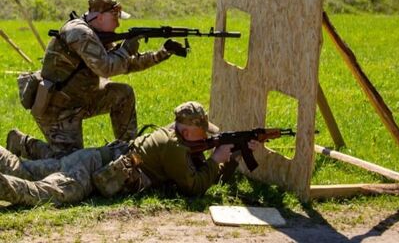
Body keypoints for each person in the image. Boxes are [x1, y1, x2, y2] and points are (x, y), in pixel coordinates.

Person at [8, 0, 185, 160]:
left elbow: (125, 63)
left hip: (83, 99)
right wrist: (126, 49)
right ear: (100, 16)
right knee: (70, 162)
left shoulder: (96, 33)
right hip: (58, 109)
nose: (117, 25)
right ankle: (22, 143)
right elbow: (106, 68)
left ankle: (128, 152)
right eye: (115, 18)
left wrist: (162, 53)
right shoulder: (79, 33)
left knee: (123, 94)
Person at [0, 101, 260, 206]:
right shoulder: (174, 148)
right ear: (190, 131)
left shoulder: (173, 133)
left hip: (93, 157)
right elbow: (193, 187)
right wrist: (217, 160)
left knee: (27, 170)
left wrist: (233, 157)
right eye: (203, 133)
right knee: (45, 193)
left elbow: (204, 171)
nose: (207, 138)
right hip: (89, 173)